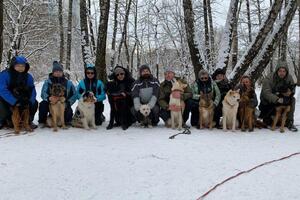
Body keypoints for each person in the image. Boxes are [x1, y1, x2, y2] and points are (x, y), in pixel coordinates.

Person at [0, 56, 38, 129]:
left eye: (22, 66)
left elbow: (32, 89)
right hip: (7, 99)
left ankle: (28, 120)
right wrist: (14, 101)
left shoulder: (28, 76)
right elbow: (2, 90)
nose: (20, 68)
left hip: (23, 99)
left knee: (34, 103)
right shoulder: (5, 75)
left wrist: (30, 100)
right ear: (13, 65)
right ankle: (2, 120)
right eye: (18, 65)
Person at [259, 60, 297, 132]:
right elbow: (266, 92)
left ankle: (289, 122)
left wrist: (290, 93)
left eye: (284, 71)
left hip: (283, 98)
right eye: (280, 71)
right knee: (268, 121)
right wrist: (277, 99)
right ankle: (268, 118)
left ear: (286, 72)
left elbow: (293, 89)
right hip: (269, 100)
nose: (282, 73)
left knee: (293, 100)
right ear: (277, 71)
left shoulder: (289, 78)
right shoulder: (269, 78)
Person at [38, 61, 77, 126]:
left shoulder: (68, 83)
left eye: (60, 71)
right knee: (43, 104)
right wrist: (49, 98)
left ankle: (66, 120)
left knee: (68, 112)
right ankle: (43, 121)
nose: (58, 73)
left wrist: (67, 101)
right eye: (56, 71)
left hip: (63, 102)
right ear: (53, 72)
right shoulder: (48, 82)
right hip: (51, 103)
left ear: (62, 72)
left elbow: (74, 94)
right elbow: (43, 93)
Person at [106, 65, 135, 130]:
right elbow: (108, 90)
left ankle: (125, 123)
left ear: (124, 73)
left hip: (129, 103)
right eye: (118, 75)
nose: (120, 76)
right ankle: (112, 123)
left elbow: (133, 92)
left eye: (121, 74)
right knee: (113, 108)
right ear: (115, 76)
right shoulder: (113, 83)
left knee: (125, 107)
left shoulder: (130, 80)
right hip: (117, 102)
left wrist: (126, 94)